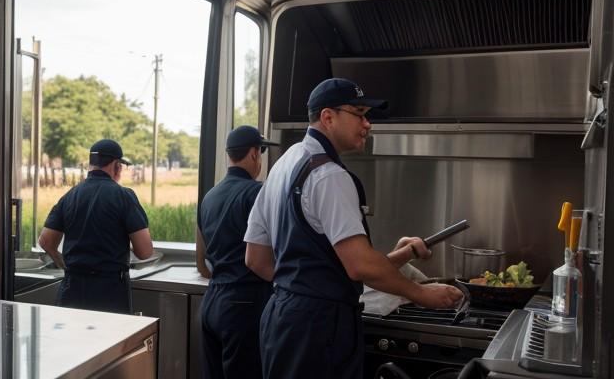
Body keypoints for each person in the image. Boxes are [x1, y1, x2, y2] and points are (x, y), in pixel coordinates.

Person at [244, 78, 464, 378]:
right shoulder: (329, 176)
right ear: (328, 117)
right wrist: (420, 294)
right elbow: (358, 266)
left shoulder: (284, 164)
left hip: (282, 319)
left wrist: (302, 291)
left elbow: (256, 258)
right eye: (359, 113)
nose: (367, 124)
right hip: (320, 328)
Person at [196, 125, 278, 379]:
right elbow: (268, 254)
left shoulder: (209, 196)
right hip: (245, 303)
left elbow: (201, 260)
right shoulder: (257, 193)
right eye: (261, 154)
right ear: (254, 154)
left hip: (211, 303)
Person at [39, 139, 154, 314]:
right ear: (117, 166)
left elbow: (46, 241)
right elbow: (145, 251)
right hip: (109, 291)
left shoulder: (70, 196)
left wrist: (66, 266)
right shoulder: (124, 196)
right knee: (109, 341)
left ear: (91, 164)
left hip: (72, 288)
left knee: (74, 340)